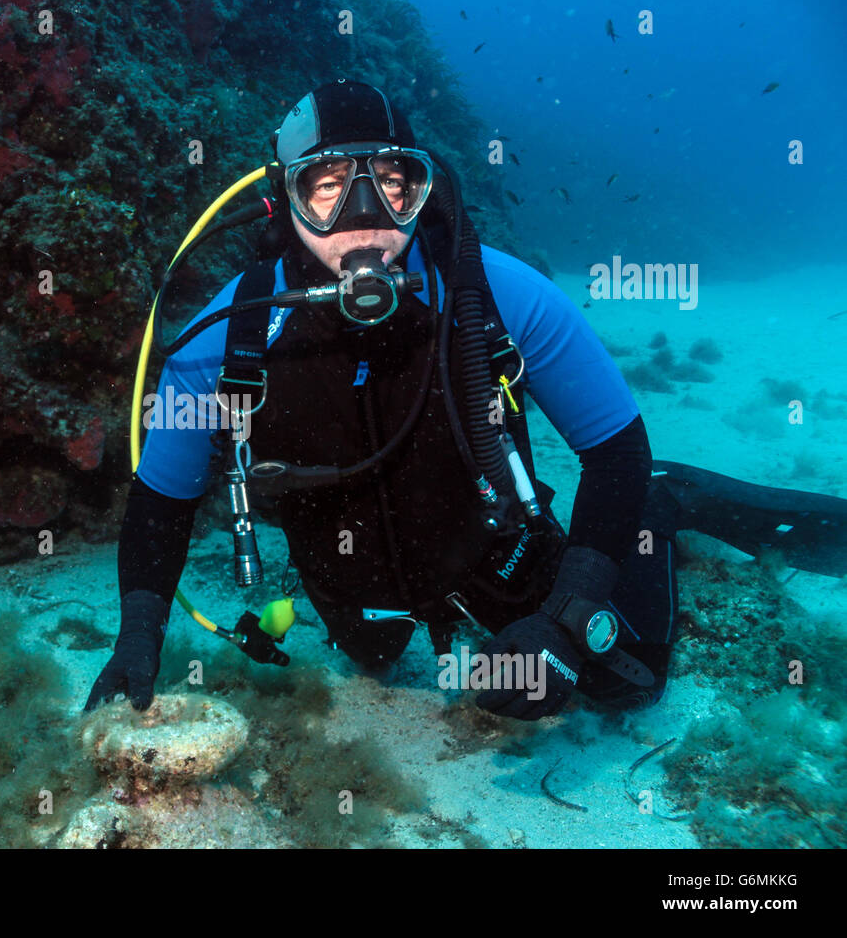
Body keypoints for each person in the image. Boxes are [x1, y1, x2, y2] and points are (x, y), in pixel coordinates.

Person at [83, 79, 841, 721]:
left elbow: (614, 452)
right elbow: (162, 499)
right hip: (348, 580)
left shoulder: (503, 297)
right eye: (326, 188)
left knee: (619, 683)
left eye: (390, 182)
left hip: (492, 550)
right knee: (375, 657)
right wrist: (140, 631)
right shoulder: (221, 342)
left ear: (423, 190)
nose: (364, 219)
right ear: (283, 207)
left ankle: (671, 500)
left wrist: (570, 616)